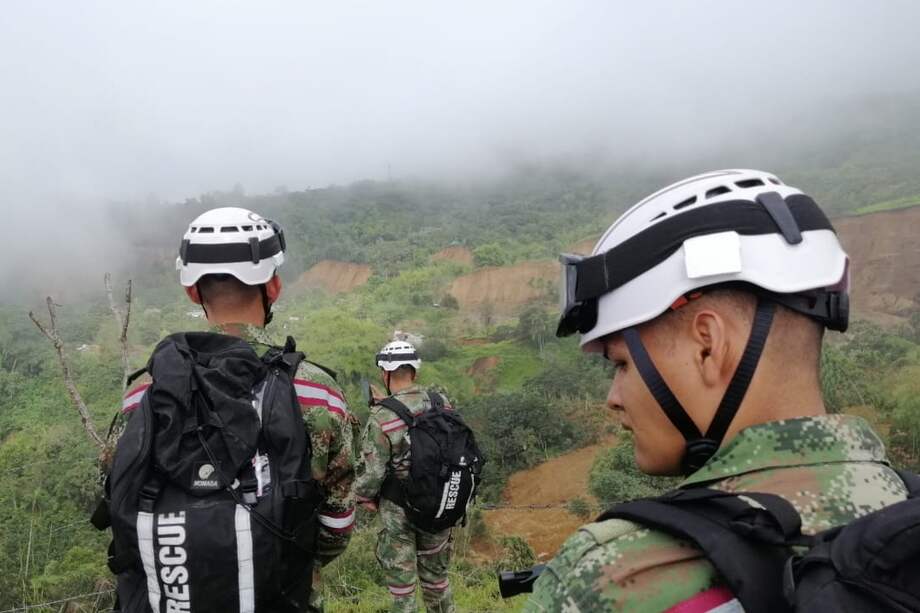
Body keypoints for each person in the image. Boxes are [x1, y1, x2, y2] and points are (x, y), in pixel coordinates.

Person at [525, 169, 910, 611]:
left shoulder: (608, 579)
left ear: (707, 346)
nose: (613, 398)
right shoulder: (901, 515)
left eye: (622, 364)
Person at [116, 207, 358, 612]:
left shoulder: (143, 393)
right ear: (274, 287)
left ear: (192, 292)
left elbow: (116, 495)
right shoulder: (317, 392)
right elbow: (337, 525)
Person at [355, 341, 456, 613]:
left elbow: (372, 475)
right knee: (437, 582)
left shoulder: (382, 416)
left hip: (400, 511)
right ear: (415, 372)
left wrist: (363, 497)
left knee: (403, 591)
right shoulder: (441, 402)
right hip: (440, 505)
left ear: (384, 374)